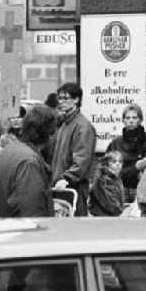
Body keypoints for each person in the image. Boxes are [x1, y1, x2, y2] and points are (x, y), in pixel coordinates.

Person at [0, 105, 56, 217]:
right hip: (20, 230)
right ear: (47, 135)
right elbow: (32, 211)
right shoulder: (29, 162)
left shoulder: (9, 150)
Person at [51, 83, 97, 216]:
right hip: (61, 186)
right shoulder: (64, 125)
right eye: (59, 98)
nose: (61, 102)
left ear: (76, 100)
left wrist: (66, 178)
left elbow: (82, 160)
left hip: (72, 186)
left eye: (66, 98)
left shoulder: (82, 127)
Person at [106, 103, 146, 204]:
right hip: (121, 189)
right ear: (123, 120)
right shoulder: (115, 143)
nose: (131, 121)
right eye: (128, 118)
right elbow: (106, 168)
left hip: (144, 189)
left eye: (134, 117)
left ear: (140, 120)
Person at [89, 151, 126, 216]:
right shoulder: (104, 178)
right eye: (114, 161)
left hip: (108, 215)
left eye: (120, 161)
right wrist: (121, 212)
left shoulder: (115, 178)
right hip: (103, 217)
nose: (118, 164)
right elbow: (110, 203)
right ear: (107, 163)